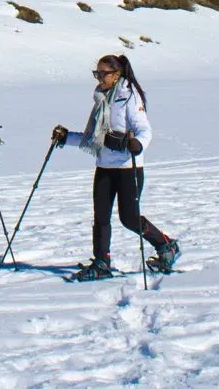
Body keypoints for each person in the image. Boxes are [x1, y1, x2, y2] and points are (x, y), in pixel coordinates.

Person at [50, 53, 180, 280]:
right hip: (104, 166)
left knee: (129, 218)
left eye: (103, 73)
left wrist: (137, 144)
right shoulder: (101, 98)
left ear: (117, 74)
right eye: (96, 74)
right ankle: (102, 261)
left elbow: (144, 130)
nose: (99, 78)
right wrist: (66, 137)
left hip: (128, 168)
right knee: (100, 216)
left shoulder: (129, 96)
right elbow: (93, 138)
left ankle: (165, 245)